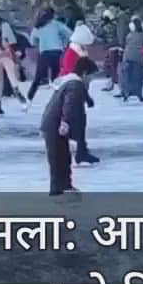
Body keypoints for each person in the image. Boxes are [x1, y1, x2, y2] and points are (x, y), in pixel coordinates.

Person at [41, 56, 99, 196]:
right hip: (56, 124)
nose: (91, 80)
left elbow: (78, 96)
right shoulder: (75, 85)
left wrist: (89, 100)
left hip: (54, 123)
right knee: (57, 158)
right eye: (90, 77)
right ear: (84, 73)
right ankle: (57, 190)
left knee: (64, 157)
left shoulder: (72, 82)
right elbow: (70, 104)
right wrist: (65, 122)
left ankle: (65, 185)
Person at [28, 8, 71, 101]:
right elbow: (69, 34)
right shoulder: (57, 24)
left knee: (38, 77)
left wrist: (40, 43)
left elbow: (32, 41)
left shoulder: (38, 26)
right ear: (53, 15)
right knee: (57, 78)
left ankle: (29, 99)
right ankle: (59, 99)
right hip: (57, 52)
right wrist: (64, 42)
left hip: (44, 53)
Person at [0, 26, 28, 116]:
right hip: (4, 58)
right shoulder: (2, 39)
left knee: (2, 82)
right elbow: (9, 50)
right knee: (10, 80)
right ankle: (21, 100)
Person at [120, 17, 143, 102]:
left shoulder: (129, 35)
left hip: (127, 57)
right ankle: (139, 94)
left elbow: (125, 44)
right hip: (138, 58)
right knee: (138, 76)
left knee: (127, 76)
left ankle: (126, 93)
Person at [97, 6, 126, 93]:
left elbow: (99, 33)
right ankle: (112, 84)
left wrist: (101, 25)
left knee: (112, 68)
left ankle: (120, 88)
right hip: (113, 47)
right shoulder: (114, 24)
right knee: (110, 67)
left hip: (112, 47)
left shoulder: (107, 26)